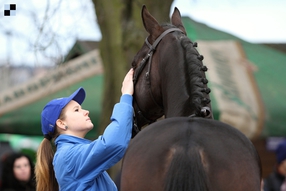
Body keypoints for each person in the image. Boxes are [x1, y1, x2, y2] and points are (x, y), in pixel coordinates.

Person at [35, 68, 134, 191]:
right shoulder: (67, 156)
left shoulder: (72, 153)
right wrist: (126, 95)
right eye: (77, 110)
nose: (86, 112)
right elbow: (112, 143)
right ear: (61, 123)